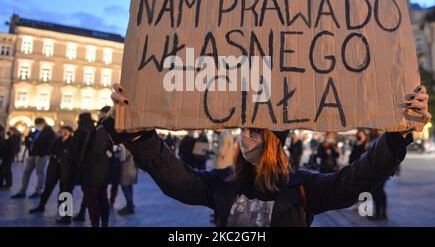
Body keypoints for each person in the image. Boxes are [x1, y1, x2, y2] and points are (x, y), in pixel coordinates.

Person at [102, 83, 430, 227]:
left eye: (256, 131)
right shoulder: (223, 182)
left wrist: (396, 137)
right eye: (245, 128)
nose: (246, 136)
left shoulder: (303, 187)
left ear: (275, 140)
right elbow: (177, 181)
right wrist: (140, 134)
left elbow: (355, 180)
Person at [29, 126, 75, 223]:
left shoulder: (72, 141)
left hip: (65, 169)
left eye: (64, 130)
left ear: (70, 132)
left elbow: (70, 154)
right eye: (61, 130)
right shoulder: (57, 140)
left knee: (64, 190)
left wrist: (60, 155)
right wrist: (61, 154)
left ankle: (64, 214)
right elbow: (51, 151)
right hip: (54, 168)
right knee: (48, 187)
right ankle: (41, 205)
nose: (62, 132)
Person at [74, 110, 112, 227]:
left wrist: (84, 160)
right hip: (103, 170)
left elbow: (97, 150)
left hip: (93, 170)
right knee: (102, 197)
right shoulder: (103, 129)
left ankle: (95, 223)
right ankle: (103, 223)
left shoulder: (100, 129)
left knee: (92, 199)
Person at [11, 118, 56, 199]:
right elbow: (28, 138)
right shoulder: (34, 131)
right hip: (32, 154)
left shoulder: (49, 132)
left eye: (38, 125)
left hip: (41, 155)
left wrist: (45, 152)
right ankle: (22, 191)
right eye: (36, 125)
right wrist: (28, 142)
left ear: (43, 123)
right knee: (26, 173)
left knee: (40, 173)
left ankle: (38, 191)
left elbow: (51, 143)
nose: (37, 126)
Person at [117, 144, 138, 215]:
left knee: (125, 186)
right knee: (129, 186)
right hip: (133, 167)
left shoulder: (125, 144)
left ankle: (129, 206)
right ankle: (130, 204)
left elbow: (123, 157)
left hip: (127, 167)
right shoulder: (134, 144)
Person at [0, 125, 16, 190]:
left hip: (7, 157)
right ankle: (7, 185)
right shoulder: (7, 138)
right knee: (6, 170)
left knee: (5, 170)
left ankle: (5, 185)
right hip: (7, 157)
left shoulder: (11, 138)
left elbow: (4, 148)